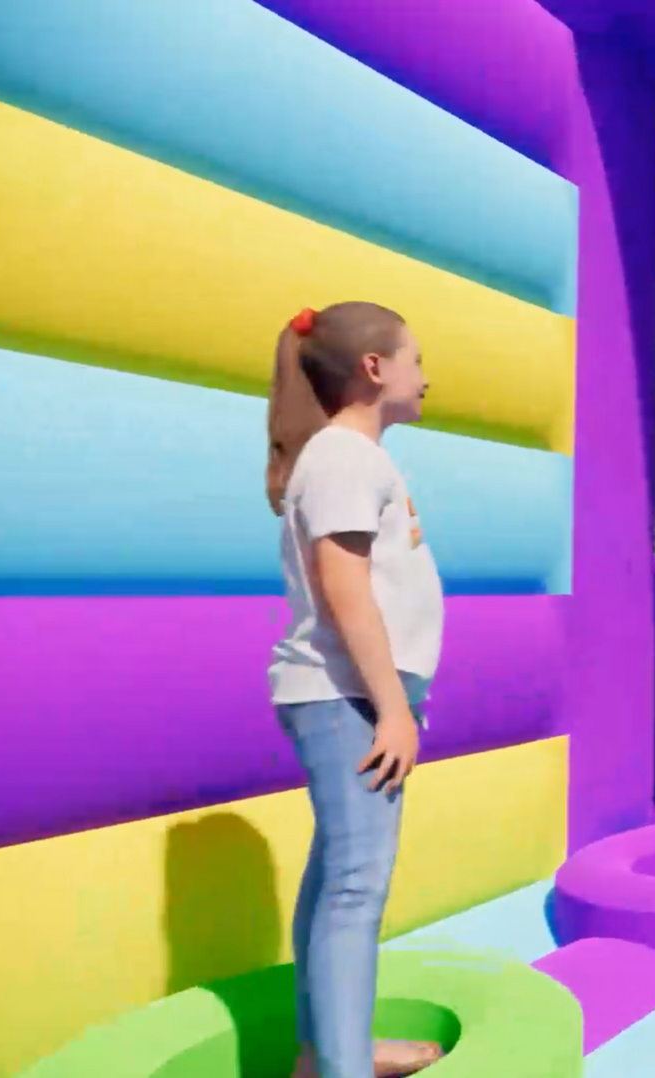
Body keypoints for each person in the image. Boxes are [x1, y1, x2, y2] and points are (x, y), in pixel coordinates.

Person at [267, 303, 445, 1078]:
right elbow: (345, 589)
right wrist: (393, 710)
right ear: (375, 369)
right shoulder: (344, 456)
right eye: (415, 358)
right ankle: (335, 1065)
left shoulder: (351, 456)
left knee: (337, 874)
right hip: (349, 697)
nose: (426, 375)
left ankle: (328, 1050)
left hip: (355, 694)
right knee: (355, 886)